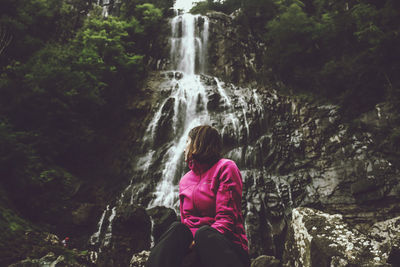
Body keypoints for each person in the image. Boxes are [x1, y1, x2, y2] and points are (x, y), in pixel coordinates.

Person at [146, 125, 250, 267]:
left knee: (204, 234)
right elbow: (186, 221)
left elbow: (226, 220)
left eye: (187, 142)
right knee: (177, 228)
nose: (183, 149)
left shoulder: (226, 167)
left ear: (198, 143)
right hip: (194, 247)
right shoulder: (185, 180)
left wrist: (196, 243)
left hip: (227, 248)